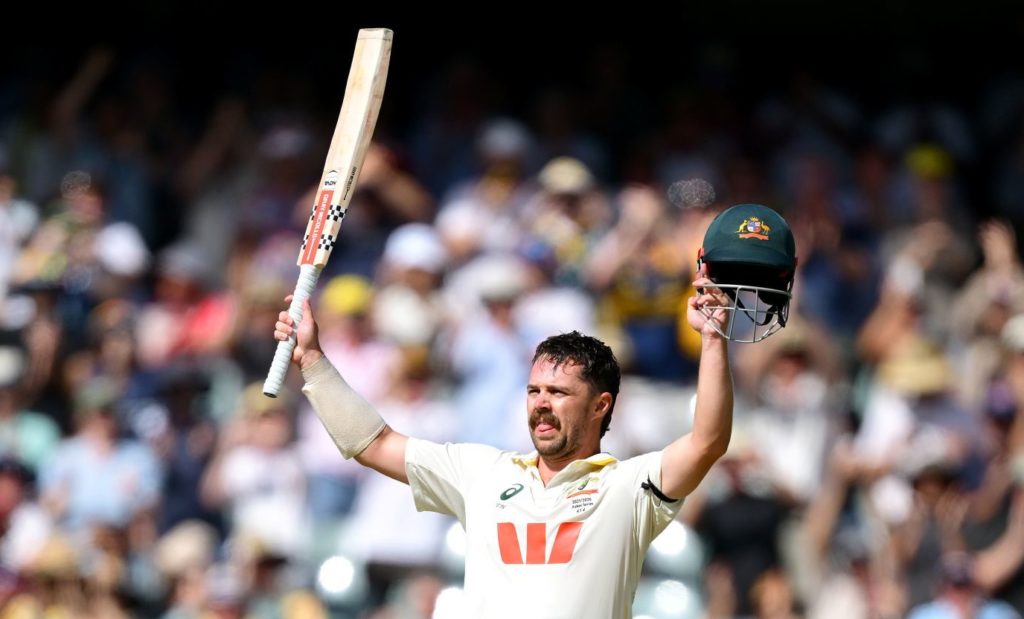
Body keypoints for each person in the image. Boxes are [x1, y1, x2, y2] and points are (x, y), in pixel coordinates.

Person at [272, 202, 792, 618]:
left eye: (559, 393)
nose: (541, 404)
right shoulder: (481, 473)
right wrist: (314, 361)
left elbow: (707, 442)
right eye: (534, 391)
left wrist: (713, 338)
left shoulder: (631, 490)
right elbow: (374, 443)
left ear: (600, 407)